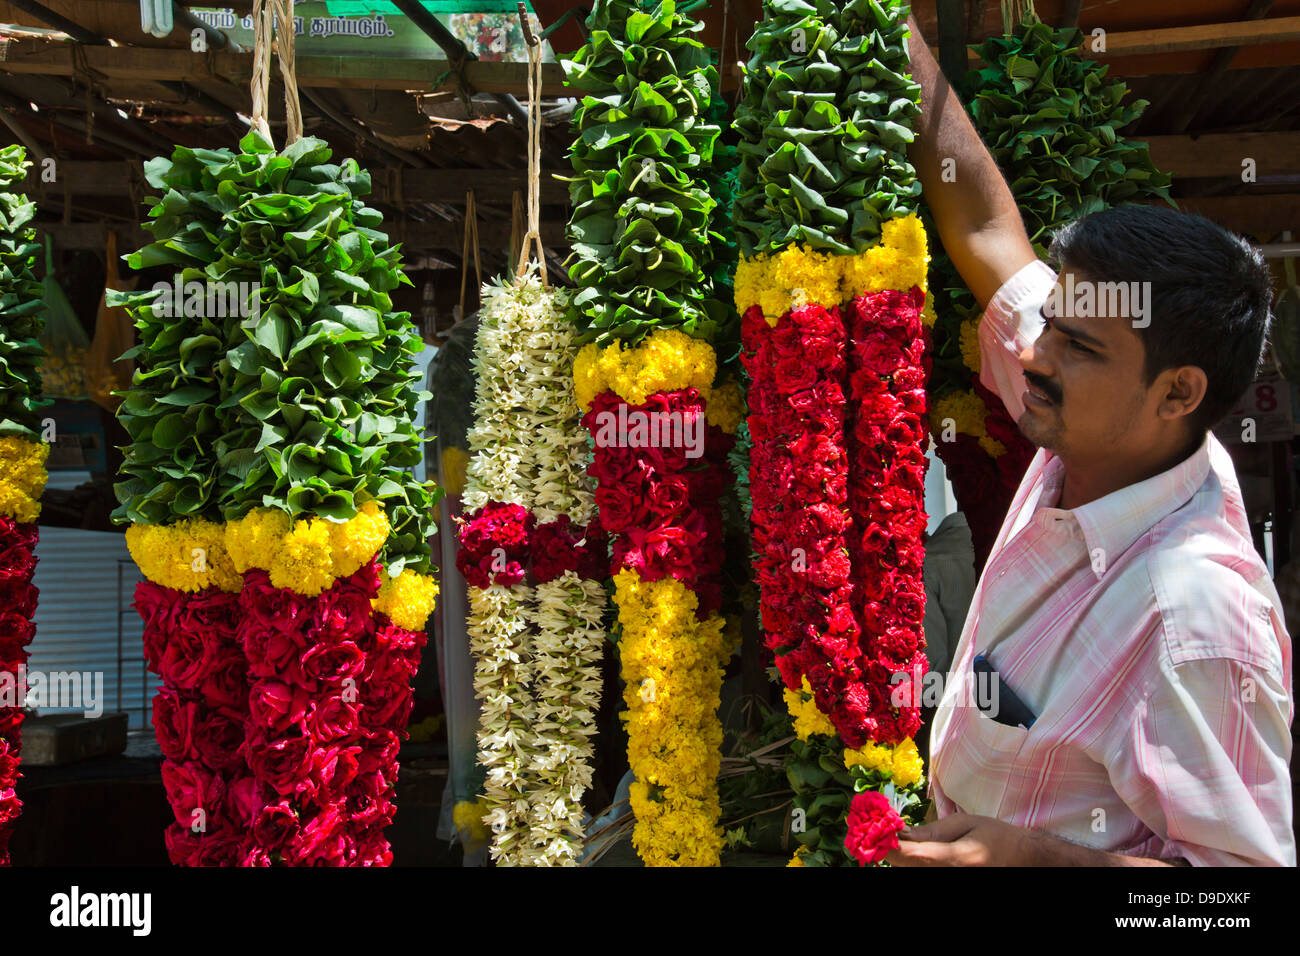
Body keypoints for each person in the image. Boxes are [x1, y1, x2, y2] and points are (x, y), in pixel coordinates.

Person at [889, 19, 1294, 866]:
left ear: (1178, 391)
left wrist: (1038, 859)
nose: (1031, 355)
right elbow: (987, 228)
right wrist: (891, 24)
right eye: (1053, 325)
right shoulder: (1106, 425)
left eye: (1077, 346)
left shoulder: (1194, 620)